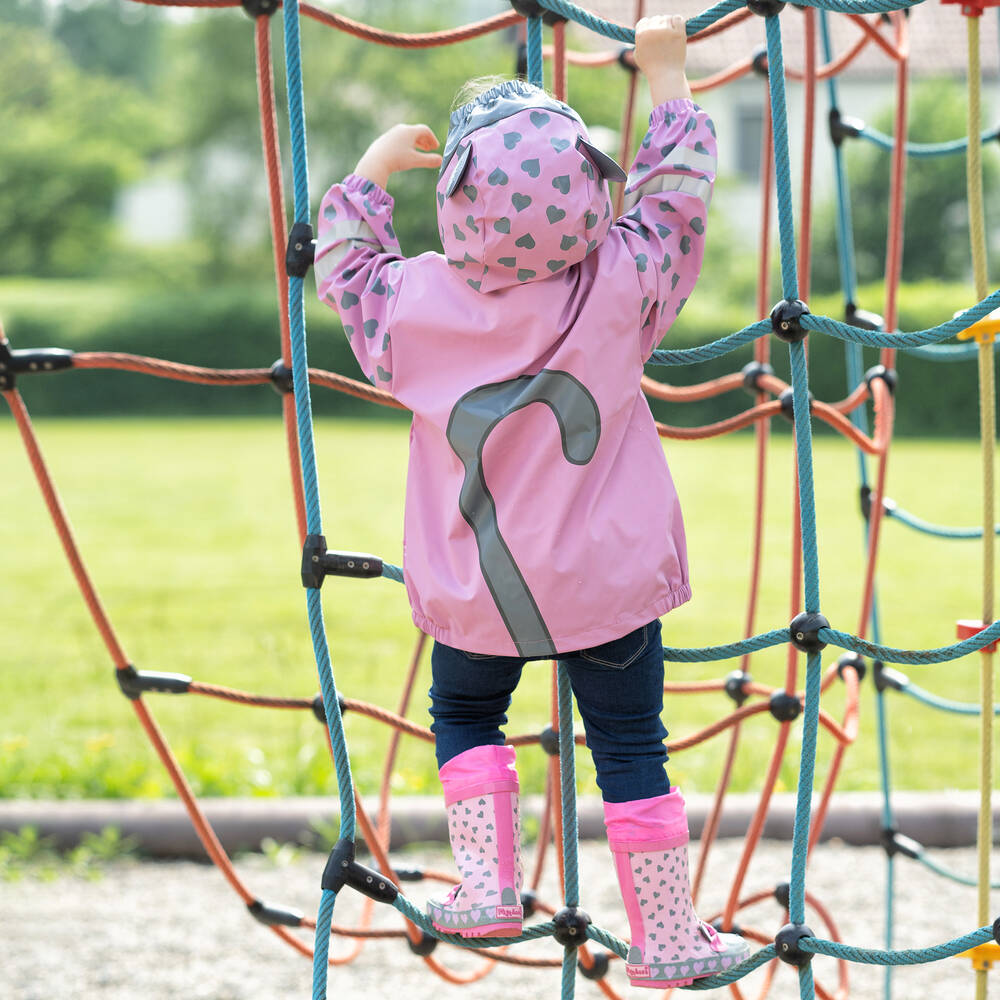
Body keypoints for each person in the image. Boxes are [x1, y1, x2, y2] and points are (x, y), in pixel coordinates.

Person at [315, 14, 750, 990]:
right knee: (633, 745)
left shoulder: (415, 306)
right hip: (607, 585)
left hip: (480, 590)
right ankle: (668, 938)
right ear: (592, 196)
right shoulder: (622, 279)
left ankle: (488, 885)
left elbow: (346, 268)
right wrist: (670, 75)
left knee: (464, 715)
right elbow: (677, 202)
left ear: (460, 206)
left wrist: (370, 176)